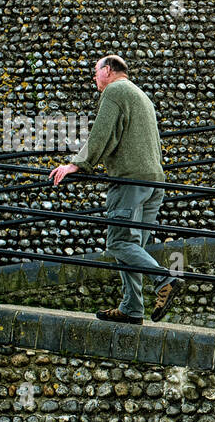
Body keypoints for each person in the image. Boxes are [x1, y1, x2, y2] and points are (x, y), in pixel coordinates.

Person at [48, 55, 182, 324]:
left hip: (130, 180)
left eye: (95, 72)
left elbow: (102, 131)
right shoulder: (140, 94)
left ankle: (165, 280)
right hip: (153, 180)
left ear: (107, 70)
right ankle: (131, 307)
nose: (94, 78)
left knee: (119, 242)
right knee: (133, 248)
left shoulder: (115, 91)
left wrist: (78, 163)